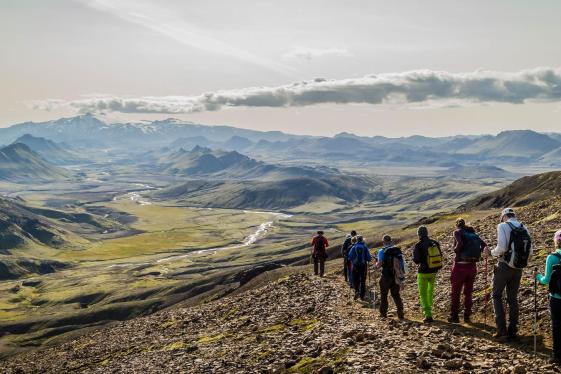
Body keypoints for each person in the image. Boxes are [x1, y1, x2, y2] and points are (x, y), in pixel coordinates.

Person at [485, 208, 533, 340]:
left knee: (496, 295)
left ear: (504, 217)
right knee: (512, 298)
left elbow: (501, 248)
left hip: (504, 266)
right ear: (514, 216)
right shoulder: (524, 227)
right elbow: (531, 251)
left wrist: (490, 253)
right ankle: (513, 330)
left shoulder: (502, 226)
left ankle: (501, 329)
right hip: (519, 267)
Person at [449, 218, 487, 324]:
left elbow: (459, 245)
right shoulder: (473, 234)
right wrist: (477, 254)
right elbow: (484, 245)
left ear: (457, 225)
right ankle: (467, 316)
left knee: (455, 292)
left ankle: (454, 316)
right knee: (468, 292)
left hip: (460, 266)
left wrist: (455, 250)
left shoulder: (457, 232)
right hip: (472, 266)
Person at [536, 229, 561, 365]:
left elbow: (546, 280)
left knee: (557, 326)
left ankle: (557, 356)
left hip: (556, 298)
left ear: (556, 241)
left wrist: (537, 276)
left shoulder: (552, 257)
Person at [413, 226, 442, 323]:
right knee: (430, 291)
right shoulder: (435, 242)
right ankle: (430, 309)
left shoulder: (418, 245)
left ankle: (428, 315)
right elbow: (440, 256)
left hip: (423, 272)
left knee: (423, 294)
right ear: (427, 233)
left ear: (419, 234)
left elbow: (416, 261)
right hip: (433, 271)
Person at [376, 235, 406, 320]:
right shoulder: (397, 250)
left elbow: (379, 265)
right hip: (396, 276)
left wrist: (376, 264)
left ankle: (383, 313)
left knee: (384, 295)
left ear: (383, 242)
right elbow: (401, 265)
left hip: (386, 276)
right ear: (391, 241)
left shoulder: (382, 251)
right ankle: (400, 313)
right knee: (396, 294)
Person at [347, 235, 372, 300]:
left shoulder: (354, 247)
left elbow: (349, 256)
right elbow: (369, 258)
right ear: (362, 240)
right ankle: (362, 296)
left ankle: (356, 291)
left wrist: (353, 260)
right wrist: (367, 259)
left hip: (355, 266)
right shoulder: (364, 247)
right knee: (363, 280)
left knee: (355, 279)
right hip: (363, 266)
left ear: (357, 240)